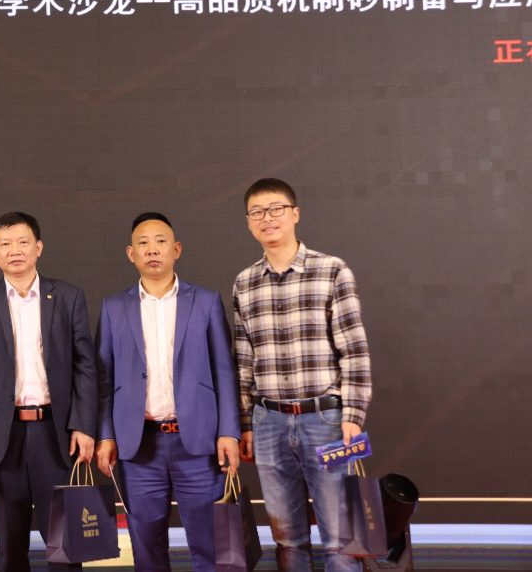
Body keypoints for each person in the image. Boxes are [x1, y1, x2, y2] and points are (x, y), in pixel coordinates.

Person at [233, 178, 373, 572]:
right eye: (257, 212)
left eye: (276, 209)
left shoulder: (332, 271)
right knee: (287, 538)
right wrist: (246, 423)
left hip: (325, 420)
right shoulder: (244, 282)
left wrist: (353, 417)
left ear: (294, 214)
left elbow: (354, 350)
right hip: (268, 422)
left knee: (341, 538)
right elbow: (243, 361)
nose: (267, 218)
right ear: (249, 222)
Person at [95, 212, 240, 572]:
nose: (152, 249)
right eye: (143, 243)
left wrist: (229, 431)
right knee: (147, 549)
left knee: (210, 546)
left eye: (160, 241)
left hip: (199, 445)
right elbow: (104, 379)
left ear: (176, 249)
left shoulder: (205, 302)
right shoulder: (114, 308)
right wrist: (106, 436)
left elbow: (224, 371)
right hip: (139, 446)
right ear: (131, 253)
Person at [0, 212, 97, 572]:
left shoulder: (68, 297)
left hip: (56, 436)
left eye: (23, 242)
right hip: (1, 441)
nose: (14, 250)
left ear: (38, 247)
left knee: (66, 549)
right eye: (5, 244)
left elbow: (85, 366)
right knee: (9, 551)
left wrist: (84, 425)